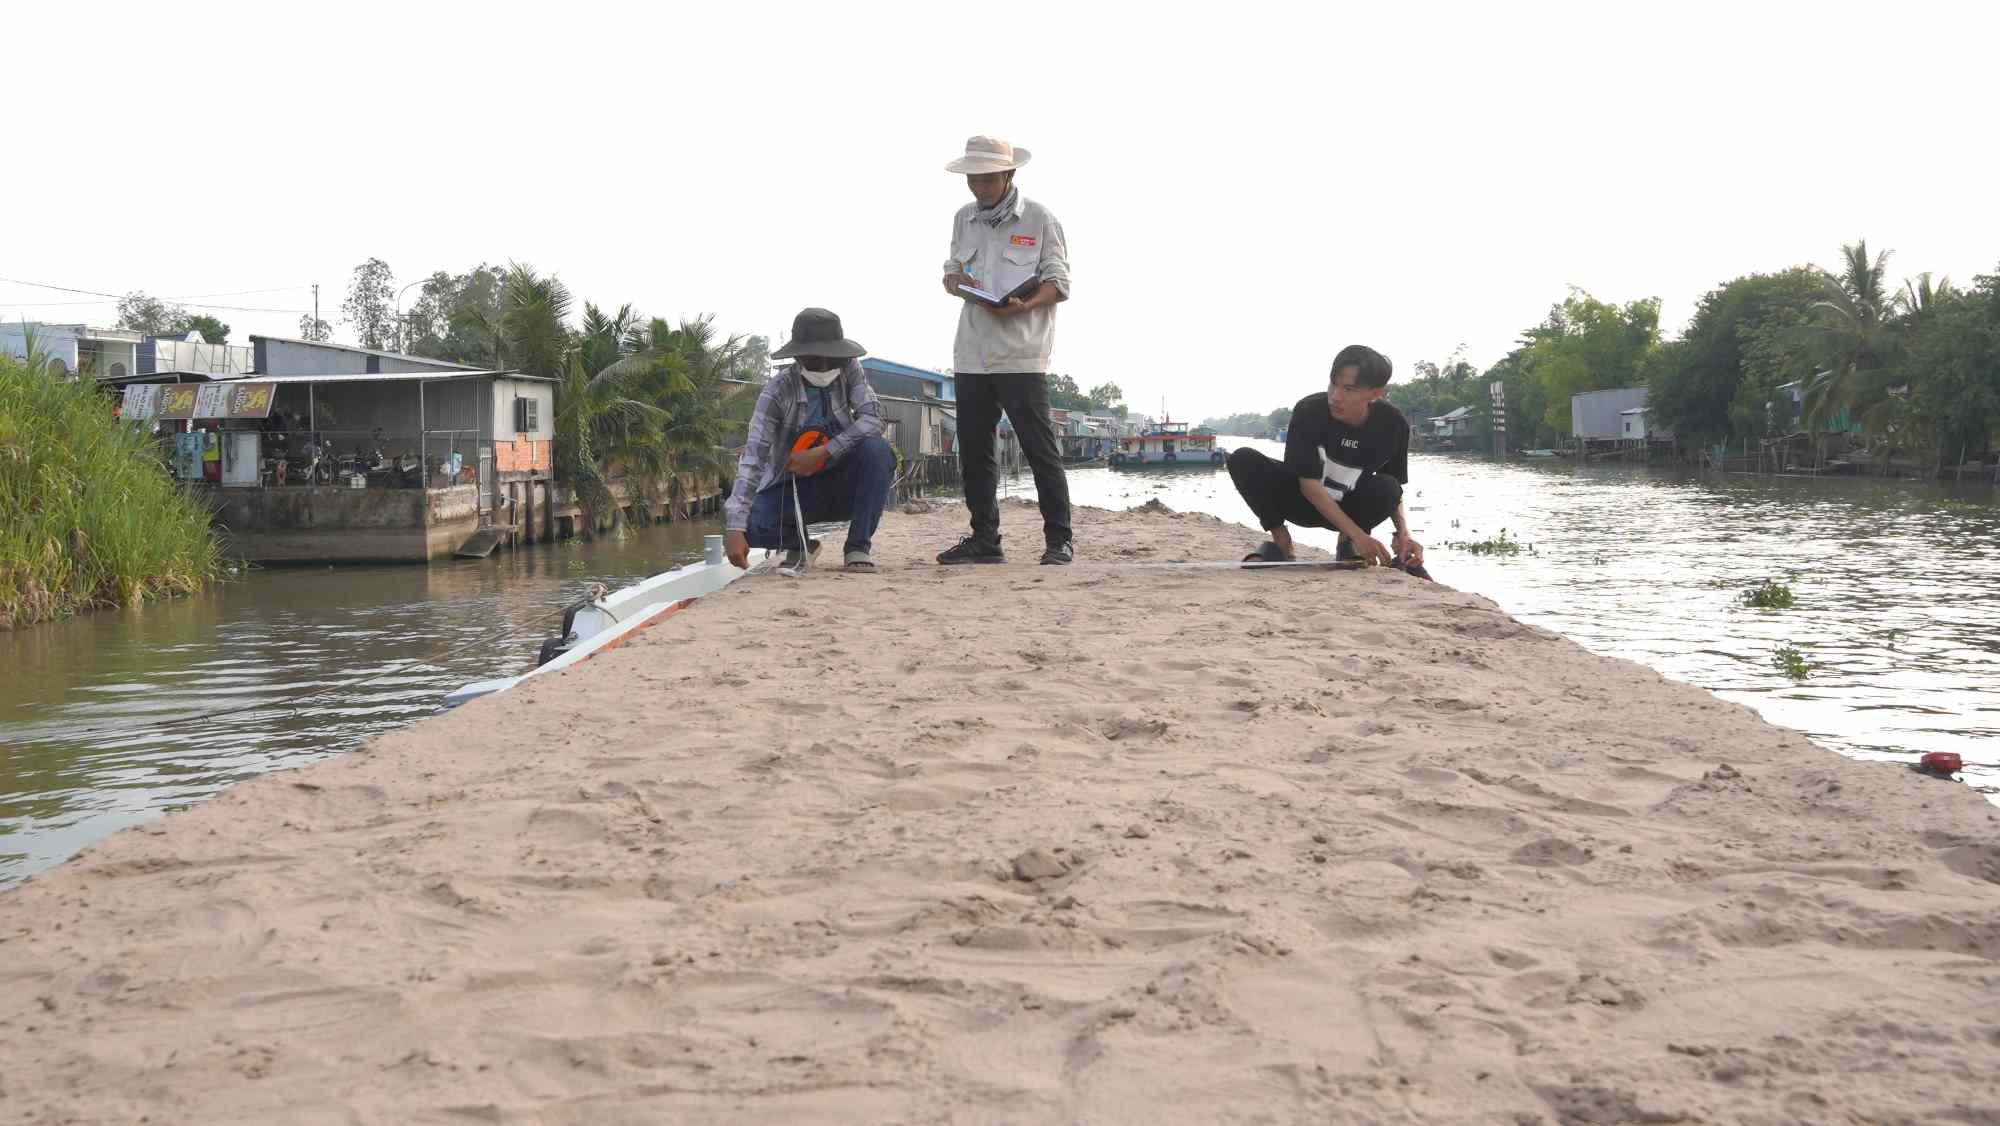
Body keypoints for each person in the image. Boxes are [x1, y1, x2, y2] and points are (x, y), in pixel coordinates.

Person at [935, 135, 1075, 566]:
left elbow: (1059, 283)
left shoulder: (1039, 219)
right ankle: (984, 539)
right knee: (975, 453)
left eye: (987, 179)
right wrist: (957, 284)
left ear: (1009, 174)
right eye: (973, 180)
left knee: (1039, 449)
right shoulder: (963, 219)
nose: (979, 188)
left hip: (1021, 352)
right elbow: (951, 272)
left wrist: (1024, 305)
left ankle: (1059, 541)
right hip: (972, 351)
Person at [1226, 344, 1430, 579]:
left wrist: (1403, 534)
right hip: (1301, 501)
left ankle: (1347, 546)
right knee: (1243, 459)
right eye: (1333, 384)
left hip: (1352, 508)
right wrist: (1360, 535)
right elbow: (1308, 485)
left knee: (1388, 486)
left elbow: (1395, 490)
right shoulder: (1309, 411)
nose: (1335, 396)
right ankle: (1282, 542)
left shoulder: (1393, 425)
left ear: (1375, 393)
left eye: (1349, 389)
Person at [723, 308, 895, 574]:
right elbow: (754, 459)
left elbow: (873, 419)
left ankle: (857, 547)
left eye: (832, 359)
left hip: (843, 483)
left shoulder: (850, 368)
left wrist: (824, 452)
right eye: (816, 360)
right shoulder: (777, 392)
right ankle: (801, 544)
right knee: (751, 523)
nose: (825, 368)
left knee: (879, 451)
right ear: (798, 357)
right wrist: (734, 527)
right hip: (793, 490)